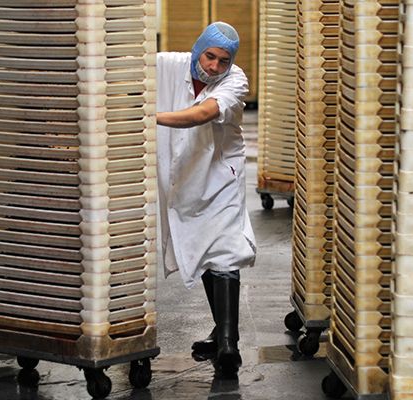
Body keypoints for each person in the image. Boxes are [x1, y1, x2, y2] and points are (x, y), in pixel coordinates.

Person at [155, 22, 257, 379]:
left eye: (223, 61)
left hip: (219, 176)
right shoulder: (169, 64)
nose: (213, 67)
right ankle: (223, 335)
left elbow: (201, 114)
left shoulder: (236, 81)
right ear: (198, 49)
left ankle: (229, 343)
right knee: (205, 249)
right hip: (185, 177)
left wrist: (147, 118)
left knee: (225, 249)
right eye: (209, 56)